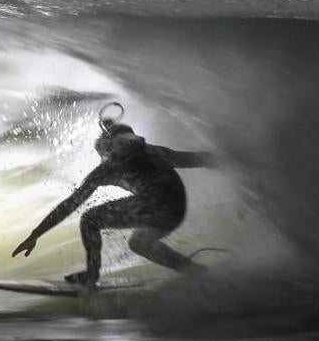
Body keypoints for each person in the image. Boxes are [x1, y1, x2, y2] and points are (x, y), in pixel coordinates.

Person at [11, 102, 215, 289]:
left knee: (90, 219)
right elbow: (196, 159)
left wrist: (36, 234)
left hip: (158, 206)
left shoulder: (110, 168)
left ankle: (92, 275)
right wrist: (228, 160)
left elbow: (70, 204)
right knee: (139, 244)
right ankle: (191, 270)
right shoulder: (154, 151)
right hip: (177, 210)